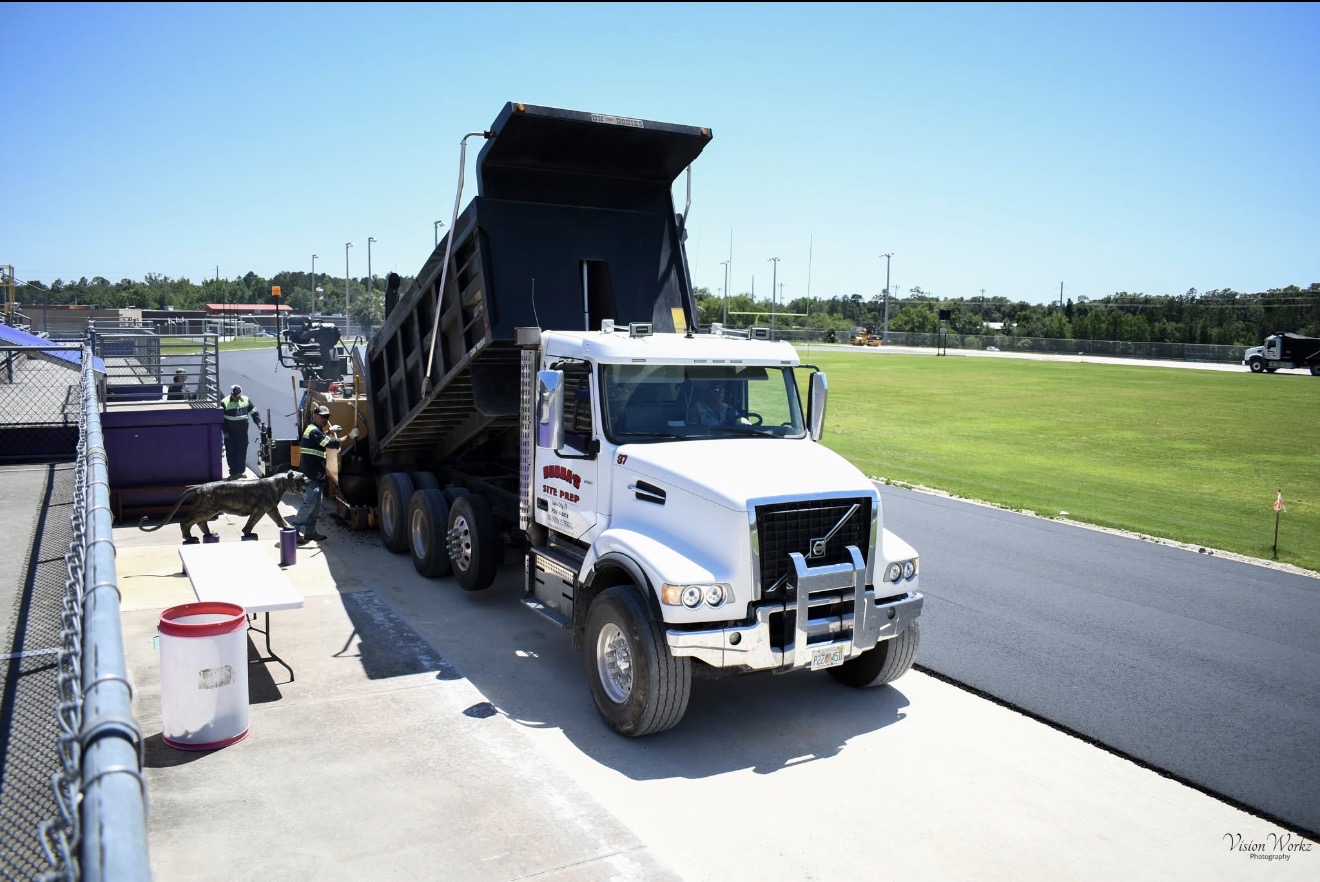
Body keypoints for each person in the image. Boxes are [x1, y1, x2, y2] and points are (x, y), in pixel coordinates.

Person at [289, 404, 358, 544]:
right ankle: (294, 531)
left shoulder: (316, 430)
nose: (325, 419)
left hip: (316, 474)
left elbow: (319, 440)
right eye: (322, 417)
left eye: (327, 417)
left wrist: (328, 431)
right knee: (309, 504)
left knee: (316, 505)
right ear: (314, 415)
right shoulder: (314, 431)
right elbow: (332, 444)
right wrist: (350, 435)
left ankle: (309, 533)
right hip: (311, 475)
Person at [222, 384, 262, 480]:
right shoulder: (224, 402)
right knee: (231, 452)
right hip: (230, 433)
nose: (237, 398)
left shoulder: (246, 400)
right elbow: (220, 419)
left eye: (239, 396)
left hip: (242, 432)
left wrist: (258, 423)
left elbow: (254, 412)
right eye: (235, 396)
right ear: (231, 394)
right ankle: (233, 472)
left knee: (242, 451)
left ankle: (241, 471)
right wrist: (225, 431)